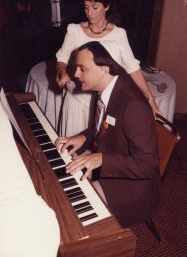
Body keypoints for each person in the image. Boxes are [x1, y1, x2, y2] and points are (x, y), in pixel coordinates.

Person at [55, 41, 161, 227]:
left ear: (104, 69)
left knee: (72, 213)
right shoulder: (104, 88)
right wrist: (84, 137)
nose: (76, 74)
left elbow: (148, 165)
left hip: (134, 186)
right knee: (61, 182)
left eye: (82, 69)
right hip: (114, 159)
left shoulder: (133, 105)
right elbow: (104, 126)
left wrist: (101, 159)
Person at [56, 0, 159, 137]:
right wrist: (62, 72)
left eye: (95, 7)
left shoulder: (119, 35)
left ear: (107, 7)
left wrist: (149, 98)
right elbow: (61, 59)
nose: (89, 12)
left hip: (106, 105)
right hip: (78, 101)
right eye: (86, 7)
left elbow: (132, 68)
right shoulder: (74, 30)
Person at [8, 0, 53, 90]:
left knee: (28, 76)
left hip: (36, 46)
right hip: (34, 45)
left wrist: (22, 12)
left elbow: (39, 22)